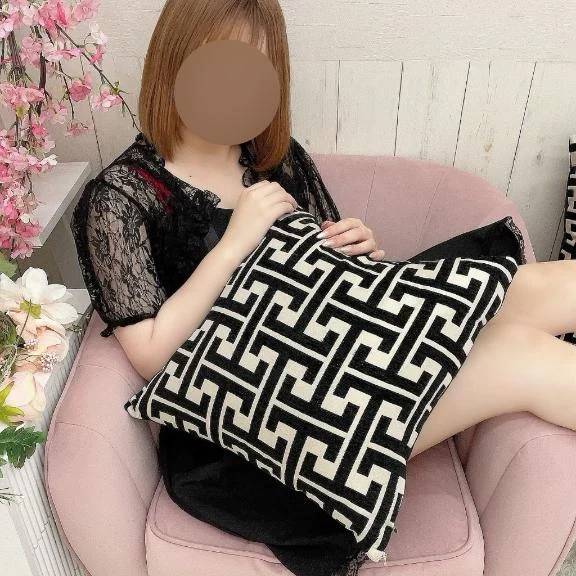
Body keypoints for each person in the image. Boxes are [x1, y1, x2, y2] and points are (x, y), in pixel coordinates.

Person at [70, 1, 576, 575]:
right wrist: (234, 244)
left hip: (338, 349)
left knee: (540, 284)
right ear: (175, 63)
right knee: (524, 357)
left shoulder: (273, 157)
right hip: (246, 422)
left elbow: (330, 276)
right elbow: (150, 356)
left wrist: (358, 243)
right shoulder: (120, 198)